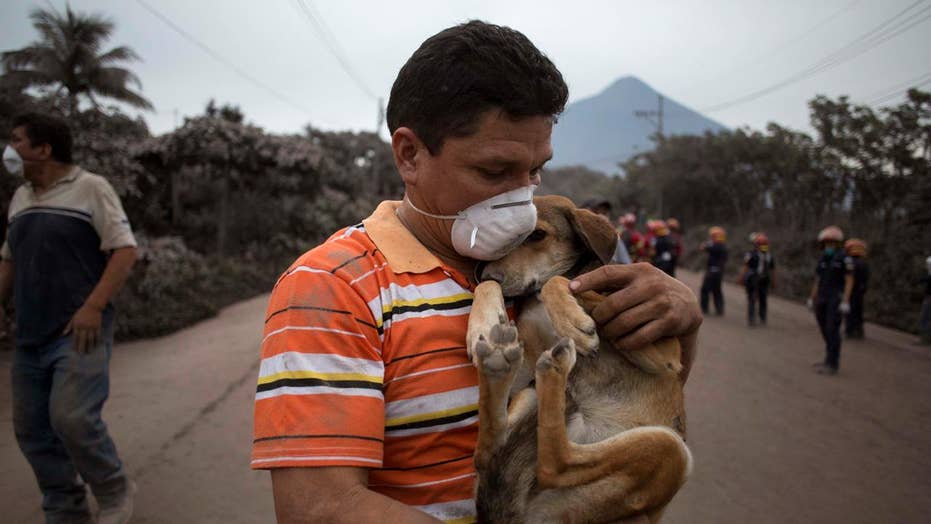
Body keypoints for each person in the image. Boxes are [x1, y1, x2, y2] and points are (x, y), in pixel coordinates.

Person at [251, 21, 702, 524]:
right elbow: (320, 509)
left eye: (535, 171)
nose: (522, 199)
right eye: (494, 172)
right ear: (410, 155)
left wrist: (680, 319)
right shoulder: (335, 287)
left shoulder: (549, 257)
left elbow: (631, 396)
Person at [1, 113, 138, 523]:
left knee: (72, 418)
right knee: (32, 430)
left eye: (18, 141)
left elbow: (124, 250)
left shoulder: (91, 188)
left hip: (77, 329)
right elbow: (8, 260)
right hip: (28, 332)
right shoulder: (21, 198)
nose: (11, 150)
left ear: (44, 149)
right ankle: (64, 507)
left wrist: (93, 307)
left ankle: (114, 488)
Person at [807, 225, 853, 376]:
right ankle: (828, 357)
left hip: (836, 297)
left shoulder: (844, 259)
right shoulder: (823, 259)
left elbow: (849, 280)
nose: (829, 246)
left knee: (832, 328)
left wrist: (845, 300)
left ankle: (833, 363)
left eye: (832, 243)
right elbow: (817, 279)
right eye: (827, 243)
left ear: (838, 244)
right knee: (824, 326)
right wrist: (812, 297)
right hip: (822, 296)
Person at [738, 232, 775, 326]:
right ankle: (754, 319)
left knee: (760, 299)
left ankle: (759, 318)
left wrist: (741, 277)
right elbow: (746, 266)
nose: (763, 246)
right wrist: (742, 277)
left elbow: (773, 269)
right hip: (755, 279)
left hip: (761, 279)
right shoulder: (754, 254)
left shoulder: (767, 255)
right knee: (754, 299)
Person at [582, 198, 631, 264]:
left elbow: (626, 264)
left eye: (604, 213)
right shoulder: (578, 238)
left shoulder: (614, 238)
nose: (602, 216)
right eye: (596, 212)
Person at [843, 238, 869, 339]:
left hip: (851, 290)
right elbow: (866, 278)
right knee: (859, 310)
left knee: (850, 311)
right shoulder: (864, 264)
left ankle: (849, 331)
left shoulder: (849, 262)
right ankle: (859, 331)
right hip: (860, 290)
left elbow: (848, 277)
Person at [700, 226, 728, 316]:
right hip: (719, 272)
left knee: (705, 289)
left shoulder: (715, 246)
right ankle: (719, 309)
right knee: (717, 290)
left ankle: (704, 308)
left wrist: (707, 243)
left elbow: (702, 247)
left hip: (712, 271)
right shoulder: (724, 246)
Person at [918, 256, 931, 345]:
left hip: (929, 298)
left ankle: (924, 339)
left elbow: (925, 279)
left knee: (924, 317)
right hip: (928, 297)